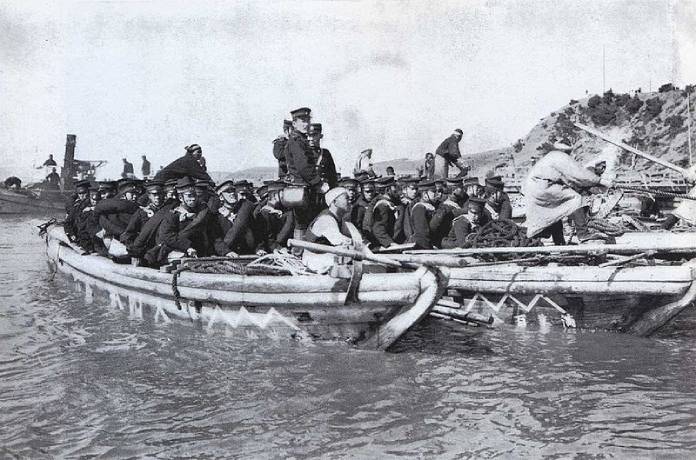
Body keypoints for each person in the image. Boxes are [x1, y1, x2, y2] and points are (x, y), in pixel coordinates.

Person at [523, 141, 611, 244]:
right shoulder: (560, 157)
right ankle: (583, 234)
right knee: (576, 199)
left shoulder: (549, 156)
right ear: (566, 150)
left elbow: (567, 179)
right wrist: (601, 181)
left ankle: (558, 240)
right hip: (543, 187)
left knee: (555, 211)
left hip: (533, 187)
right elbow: (578, 175)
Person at [284, 107, 328, 244]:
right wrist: (318, 183)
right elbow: (303, 167)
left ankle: (301, 253)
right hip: (302, 190)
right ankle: (301, 253)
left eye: (307, 120)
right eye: (302, 121)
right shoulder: (296, 141)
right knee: (304, 223)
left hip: (302, 190)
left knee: (303, 223)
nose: (306, 124)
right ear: (294, 123)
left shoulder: (299, 140)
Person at [154, 176, 214, 265]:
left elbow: (214, 235)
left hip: (199, 254)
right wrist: (187, 247)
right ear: (181, 198)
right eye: (189, 196)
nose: (193, 199)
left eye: (195, 195)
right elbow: (166, 237)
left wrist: (226, 252)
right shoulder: (173, 215)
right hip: (176, 251)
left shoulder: (202, 214)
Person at [301, 187, 353, 273]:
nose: (349, 201)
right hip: (315, 259)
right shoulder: (326, 219)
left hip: (324, 256)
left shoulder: (339, 218)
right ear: (334, 202)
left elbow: (349, 236)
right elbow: (339, 240)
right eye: (346, 198)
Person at [212, 180, 256, 256]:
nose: (232, 193)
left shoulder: (244, 212)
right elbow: (216, 239)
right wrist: (227, 252)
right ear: (221, 197)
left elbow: (256, 233)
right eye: (228, 191)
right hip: (226, 257)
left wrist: (259, 249)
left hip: (247, 255)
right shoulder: (216, 217)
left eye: (233, 190)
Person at [120, 180, 165, 247]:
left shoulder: (169, 210)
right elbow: (128, 234)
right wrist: (134, 249)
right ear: (149, 196)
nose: (157, 197)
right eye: (154, 194)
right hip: (147, 250)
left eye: (160, 194)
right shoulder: (142, 213)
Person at [255, 182, 295, 253]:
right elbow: (268, 239)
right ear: (274, 195)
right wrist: (278, 248)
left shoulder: (286, 211)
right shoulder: (264, 214)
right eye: (283, 193)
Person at [430, 177, 467, 248]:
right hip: (446, 243)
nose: (463, 190)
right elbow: (433, 226)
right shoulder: (444, 208)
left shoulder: (458, 204)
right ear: (454, 190)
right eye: (461, 188)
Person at [370, 176, 402, 249]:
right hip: (386, 247)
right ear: (388, 190)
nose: (396, 190)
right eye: (394, 187)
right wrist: (390, 243)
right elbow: (378, 229)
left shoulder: (391, 203)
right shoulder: (383, 206)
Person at [409, 180, 439, 249]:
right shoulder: (419, 208)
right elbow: (422, 234)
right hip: (422, 247)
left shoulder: (431, 206)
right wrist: (430, 248)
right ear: (425, 194)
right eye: (433, 192)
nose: (436, 194)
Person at [308, 123, 338, 189]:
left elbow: (332, 175)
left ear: (320, 136)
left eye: (314, 135)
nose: (311, 139)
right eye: (309, 135)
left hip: (323, 189)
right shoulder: (303, 152)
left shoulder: (325, 153)